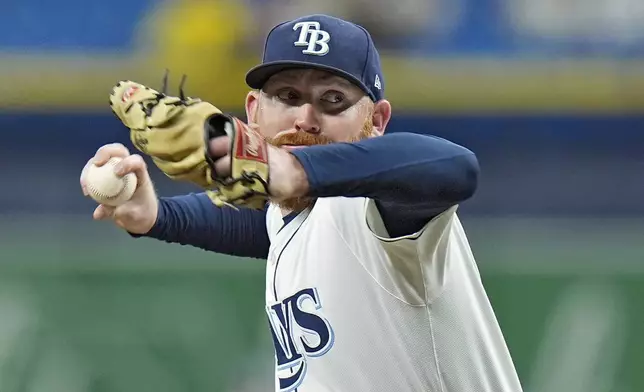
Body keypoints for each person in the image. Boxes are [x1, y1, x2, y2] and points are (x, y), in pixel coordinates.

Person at [81, 14, 523, 392]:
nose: (305, 119)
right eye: (288, 97)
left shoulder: (380, 210)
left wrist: (293, 169)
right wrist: (156, 214)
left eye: (333, 101)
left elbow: (455, 166)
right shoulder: (299, 216)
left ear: (377, 121)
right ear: (253, 111)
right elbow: (261, 227)